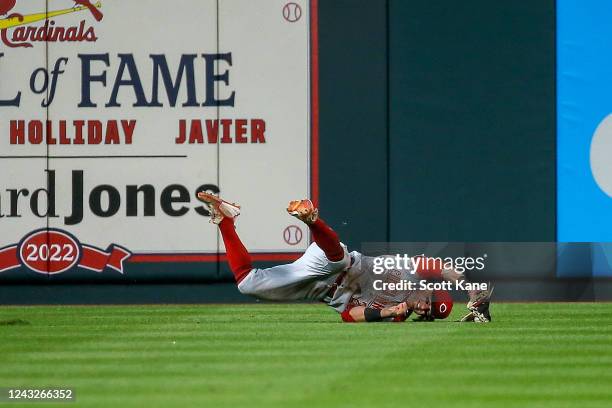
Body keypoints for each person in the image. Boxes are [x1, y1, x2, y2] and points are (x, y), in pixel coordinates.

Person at [196, 192, 492, 323]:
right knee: (338, 258)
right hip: (332, 262)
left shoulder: (398, 314)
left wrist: (389, 313)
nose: (423, 306)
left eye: (426, 313)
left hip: (316, 289)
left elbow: (350, 315)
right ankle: (312, 220)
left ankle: (226, 219)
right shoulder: (409, 273)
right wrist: (470, 286)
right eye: (430, 301)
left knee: (247, 284)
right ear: (429, 289)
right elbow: (439, 266)